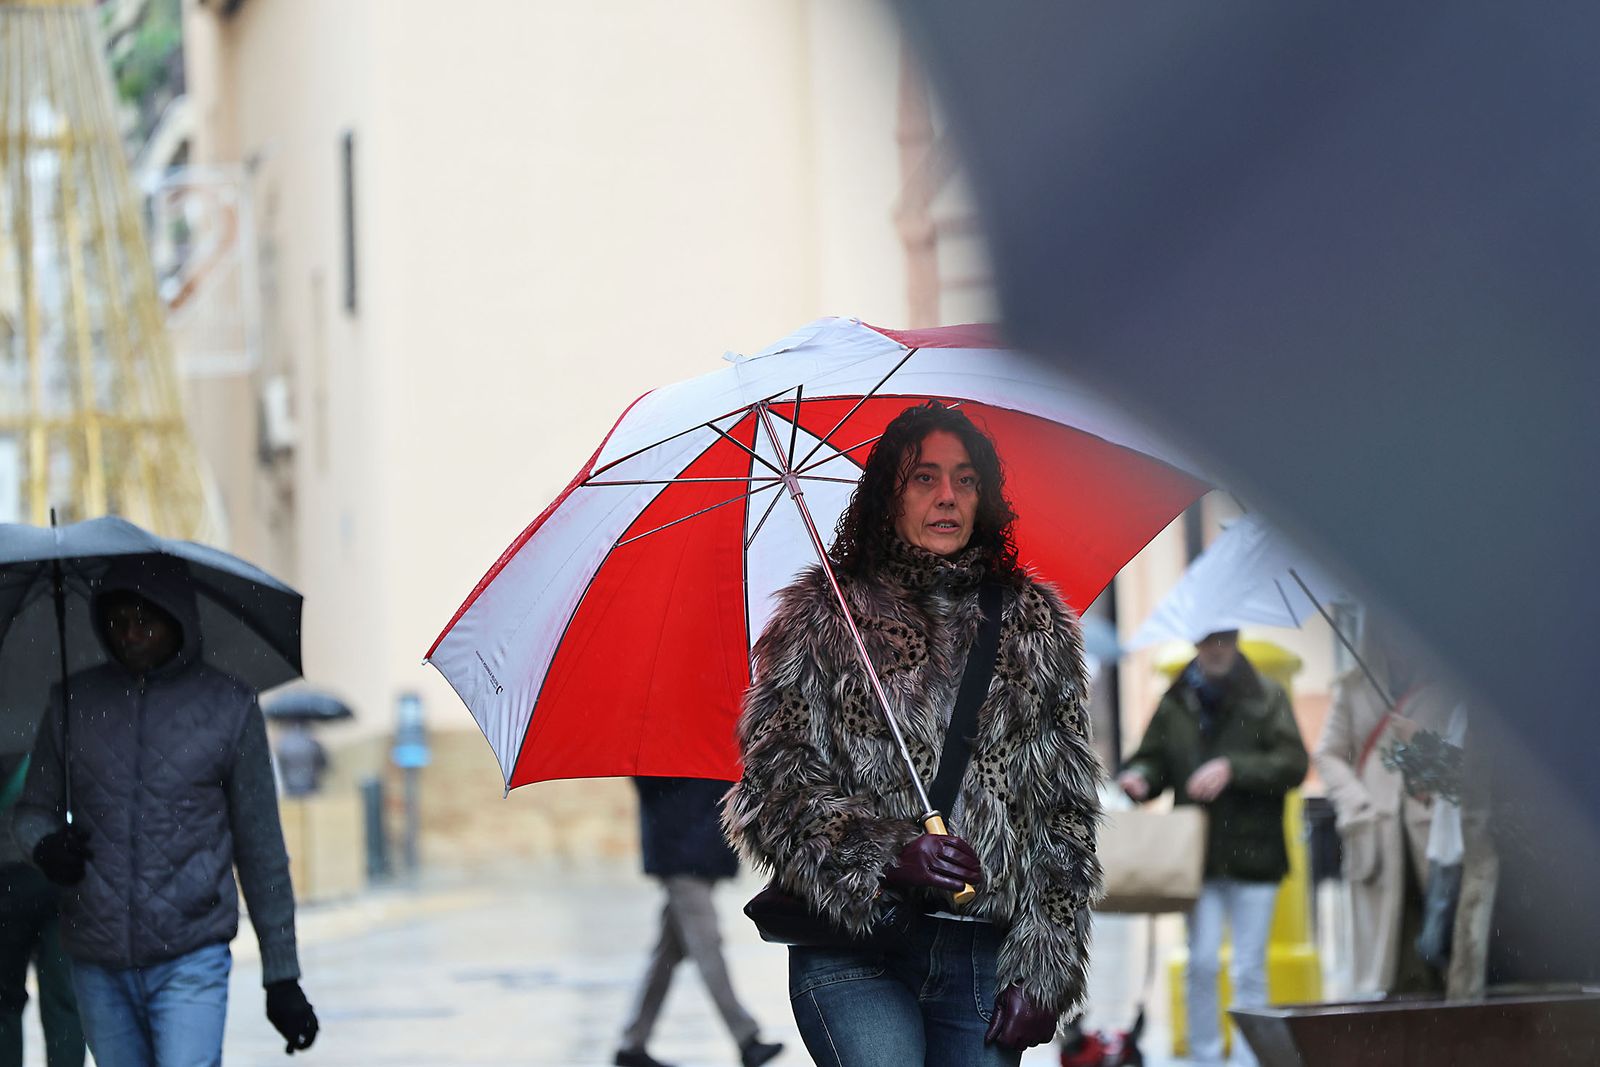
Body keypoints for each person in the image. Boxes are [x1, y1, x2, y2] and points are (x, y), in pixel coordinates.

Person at [724, 402, 1103, 1067]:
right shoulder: (823, 618)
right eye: (925, 478)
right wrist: (886, 853)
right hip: (853, 945)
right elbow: (774, 790)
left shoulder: (1033, 625)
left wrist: (1047, 967)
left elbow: (1064, 815)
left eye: (965, 479)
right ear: (888, 495)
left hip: (981, 951)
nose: (948, 496)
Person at [11, 559, 320, 1065]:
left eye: (143, 620)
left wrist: (281, 973)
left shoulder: (231, 706)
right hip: (96, 957)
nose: (129, 634)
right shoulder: (72, 703)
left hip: (192, 953)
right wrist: (45, 845)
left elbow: (261, 847)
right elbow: (31, 811)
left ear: (178, 619)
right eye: (116, 621)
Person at [1117, 630, 1307, 1067]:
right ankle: (1204, 1057)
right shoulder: (1176, 700)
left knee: (1249, 968)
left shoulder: (1268, 696)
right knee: (1201, 963)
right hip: (1196, 857)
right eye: (1209, 641)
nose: (1217, 648)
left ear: (1236, 641)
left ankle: (1248, 1059)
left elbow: (1293, 765)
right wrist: (1140, 777)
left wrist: (1233, 768)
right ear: (1196, 644)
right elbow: (1152, 758)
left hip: (1256, 852)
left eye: (1225, 640)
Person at [1312, 624, 1445, 996]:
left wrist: (1420, 741)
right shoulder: (1353, 686)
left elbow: (1463, 754)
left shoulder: (1448, 684)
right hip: (1375, 831)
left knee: (1436, 934)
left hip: (1431, 827)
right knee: (1386, 951)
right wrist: (1357, 802)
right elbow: (1327, 754)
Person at [615, 777, 782, 1067]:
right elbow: (658, 789)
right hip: (681, 855)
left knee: (667, 954)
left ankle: (633, 1042)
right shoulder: (662, 760)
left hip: (695, 852)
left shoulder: (708, 754)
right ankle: (746, 1038)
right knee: (708, 945)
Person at [0, 754, 84, 1067]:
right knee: (63, 1000)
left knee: (4, 1004)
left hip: (8, 880)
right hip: (56, 879)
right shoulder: (63, 738)